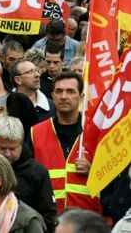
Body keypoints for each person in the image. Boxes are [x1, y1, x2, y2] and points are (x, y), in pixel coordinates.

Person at [0, 116, 57, 232]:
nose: (7, 154)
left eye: (12, 149)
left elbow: (48, 216)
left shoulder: (37, 172)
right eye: (2, 148)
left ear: (21, 144)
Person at [31, 72, 102, 214]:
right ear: (52, 95)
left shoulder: (97, 132)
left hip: (89, 220)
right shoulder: (35, 133)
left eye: (70, 91)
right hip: (49, 220)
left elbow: (115, 180)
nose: (64, 96)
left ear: (81, 97)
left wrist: (94, 172)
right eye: (59, 91)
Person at [10, 58, 56, 122]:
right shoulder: (5, 105)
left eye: (37, 71)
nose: (37, 75)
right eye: (30, 72)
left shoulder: (52, 107)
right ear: (18, 80)